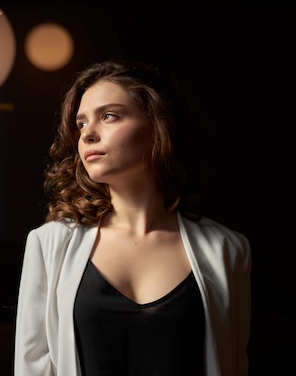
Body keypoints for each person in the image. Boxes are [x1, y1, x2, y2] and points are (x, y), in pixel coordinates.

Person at [13, 59, 252, 376]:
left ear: (157, 126)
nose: (88, 135)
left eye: (109, 116)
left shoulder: (227, 249)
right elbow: (32, 368)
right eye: (81, 124)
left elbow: (234, 364)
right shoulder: (48, 244)